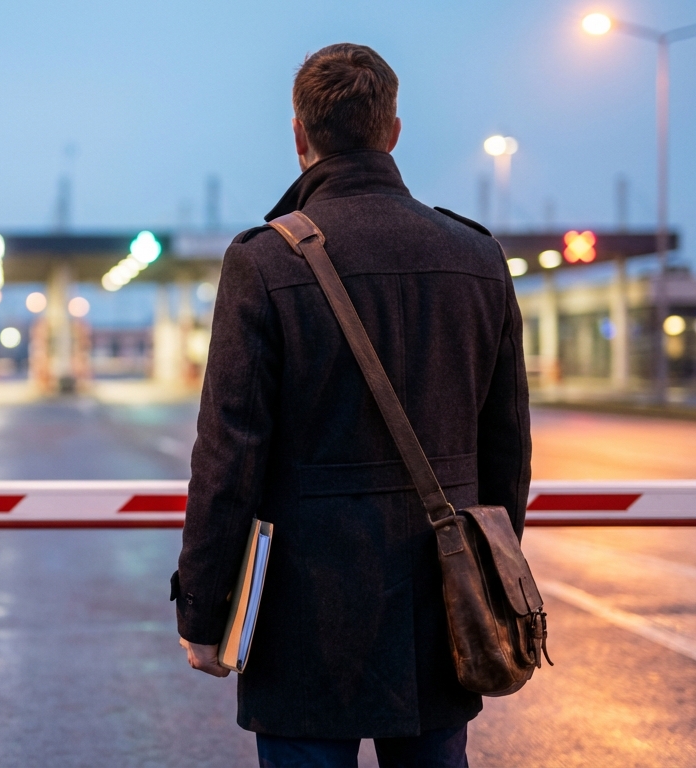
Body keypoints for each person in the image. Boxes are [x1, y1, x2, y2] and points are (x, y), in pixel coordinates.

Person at [171, 43, 531, 768]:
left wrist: (204, 611)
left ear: (300, 136)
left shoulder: (264, 263)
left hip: (305, 622)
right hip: (443, 607)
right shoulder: (476, 257)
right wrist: (485, 580)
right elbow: (507, 450)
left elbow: (228, 457)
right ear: (393, 130)